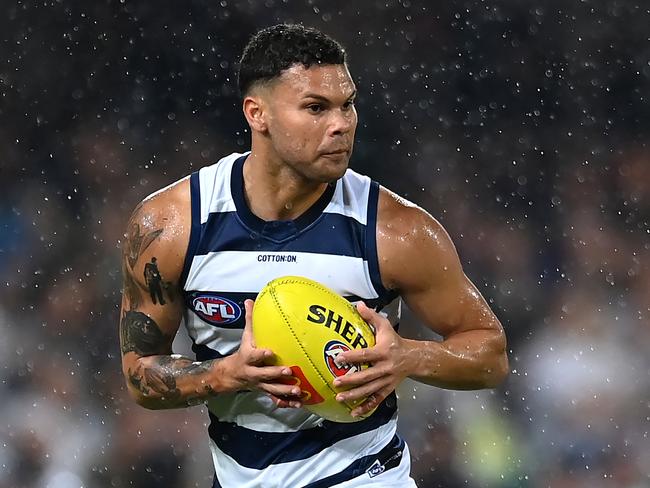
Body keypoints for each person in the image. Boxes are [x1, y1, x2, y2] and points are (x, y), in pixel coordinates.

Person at [119, 23, 509, 487]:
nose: (341, 123)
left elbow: (491, 355)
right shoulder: (171, 226)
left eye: (348, 104)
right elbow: (139, 373)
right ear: (257, 114)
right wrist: (225, 374)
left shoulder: (396, 230)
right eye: (316, 108)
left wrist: (408, 357)